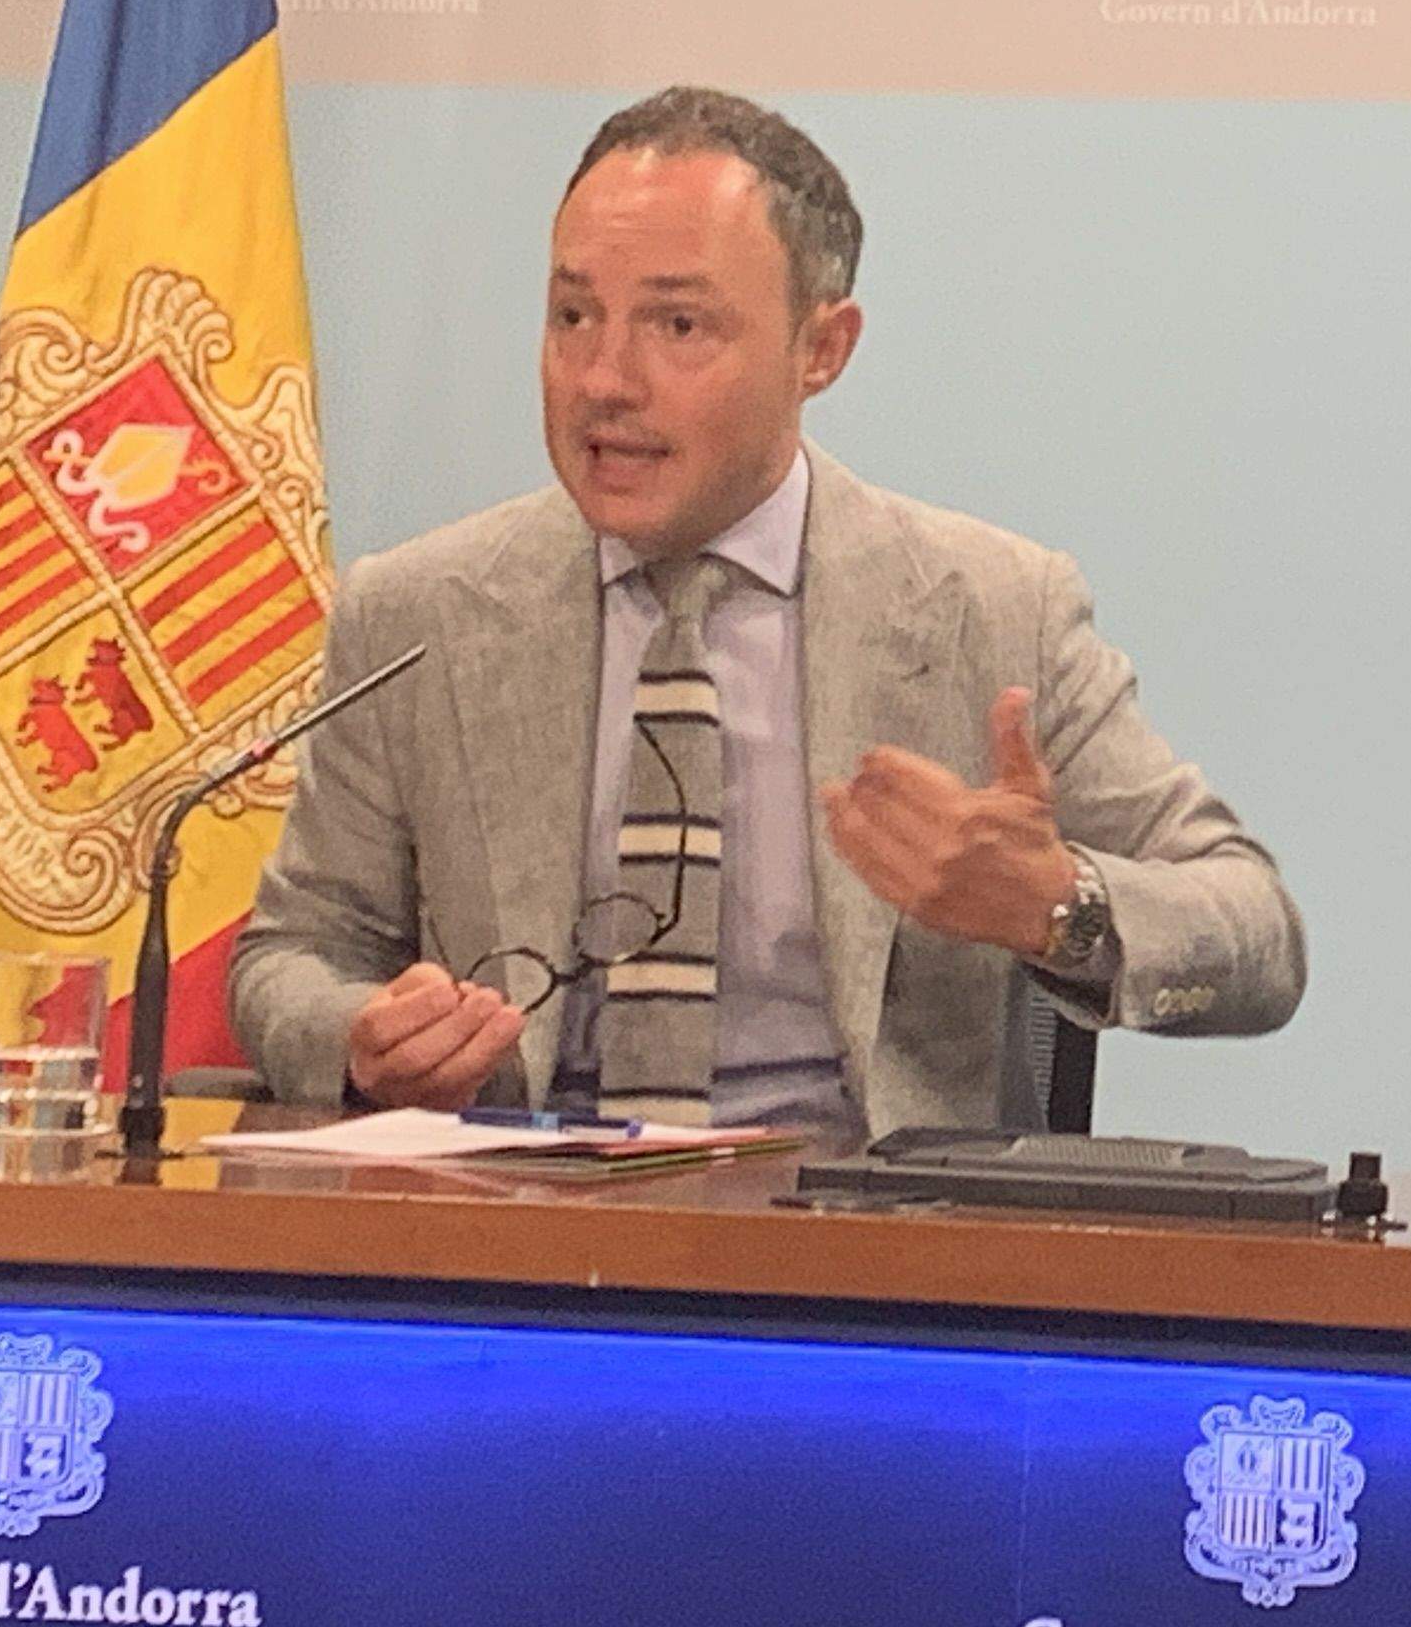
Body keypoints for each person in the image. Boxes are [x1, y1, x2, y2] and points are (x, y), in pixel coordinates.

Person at [234, 88, 1303, 1135]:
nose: (603, 379)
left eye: (678, 324)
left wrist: (1055, 908)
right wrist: (359, 1038)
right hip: (516, 1211)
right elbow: (295, 953)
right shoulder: (420, 614)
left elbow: (1258, 936)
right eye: (573, 316)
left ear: (820, 349)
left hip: (855, 1224)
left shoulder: (991, 610)